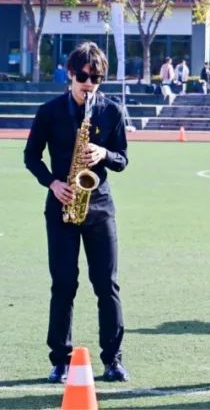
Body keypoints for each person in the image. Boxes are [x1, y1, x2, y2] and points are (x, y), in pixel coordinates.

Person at [23, 42, 130, 384]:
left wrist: (103, 154)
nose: (89, 84)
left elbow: (123, 159)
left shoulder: (111, 111)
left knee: (107, 285)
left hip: (99, 207)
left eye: (96, 79)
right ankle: (60, 360)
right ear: (70, 74)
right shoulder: (50, 112)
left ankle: (113, 359)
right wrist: (53, 183)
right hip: (61, 205)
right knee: (64, 284)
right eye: (83, 77)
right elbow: (31, 156)